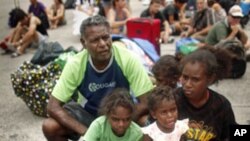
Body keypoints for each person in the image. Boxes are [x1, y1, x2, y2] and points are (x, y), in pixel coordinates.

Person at [42, 15, 154, 141]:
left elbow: (147, 101)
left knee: (147, 124)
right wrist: (89, 133)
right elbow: (53, 107)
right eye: (95, 40)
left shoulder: (127, 58)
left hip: (120, 116)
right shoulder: (76, 64)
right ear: (83, 43)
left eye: (106, 37)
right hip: (88, 116)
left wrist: (120, 123)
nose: (103, 44)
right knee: (50, 126)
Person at [175, 47, 237, 140]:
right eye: (185, 77)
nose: (187, 84)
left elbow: (235, 134)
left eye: (195, 79)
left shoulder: (221, 105)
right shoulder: (171, 99)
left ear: (210, 79)